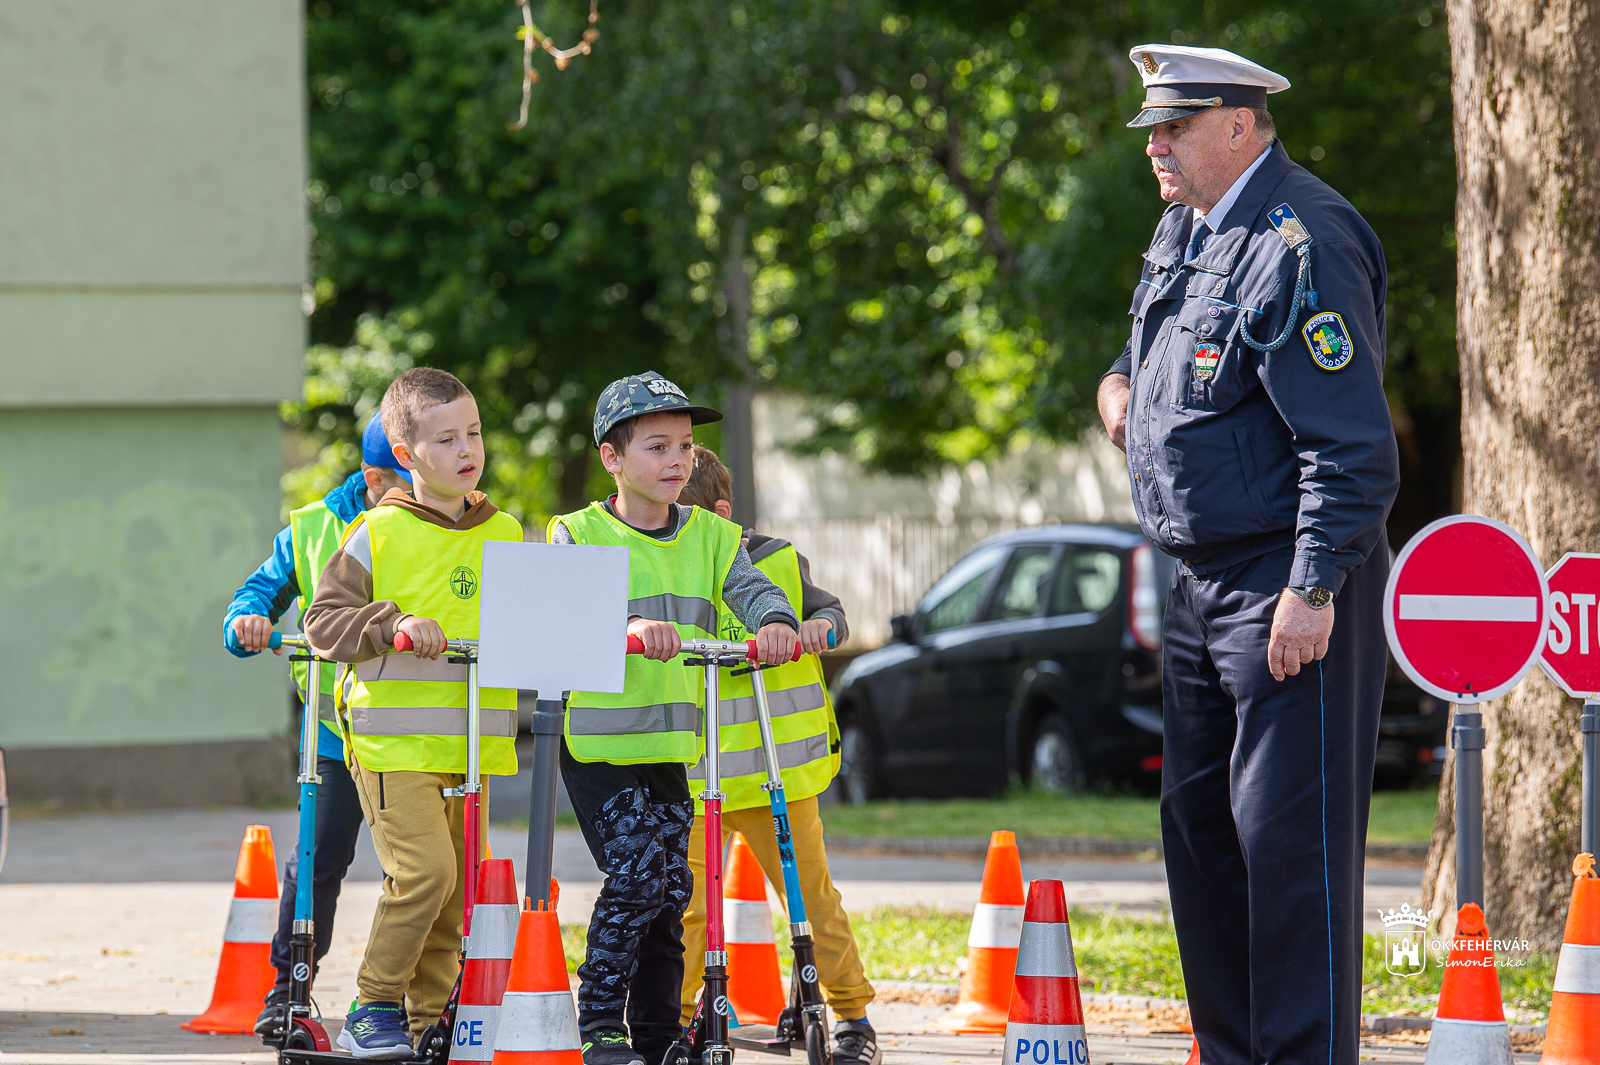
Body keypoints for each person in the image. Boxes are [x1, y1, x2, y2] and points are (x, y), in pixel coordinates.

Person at [1095, 44, 1400, 1065]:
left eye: (1176, 126)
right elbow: (1148, 361)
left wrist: (1312, 587)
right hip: (1197, 582)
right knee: (1203, 846)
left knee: (1288, 854)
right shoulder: (1187, 226)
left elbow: (1352, 451)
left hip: (1283, 578)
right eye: (1152, 128)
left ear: (1241, 123)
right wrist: (1119, 399)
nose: (1157, 146)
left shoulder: (1298, 238)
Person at [548, 372, 799, 1065]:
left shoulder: (714, 536)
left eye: (685, 446)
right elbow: (566, 609)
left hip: (666, 746)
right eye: (657, 446)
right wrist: (628, 622)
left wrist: (775, 622)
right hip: (598, 745)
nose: (677, 460)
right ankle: (599, 1020)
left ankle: (658, 1035)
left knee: (673, 890)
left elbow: (752, 588)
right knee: (636, 874)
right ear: (613, 458)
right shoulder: (578, 533)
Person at [304, 368, 523, 1058]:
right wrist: (392, 620)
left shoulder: (509, 531)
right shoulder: (379, 530)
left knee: (456, 898)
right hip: (392, 746)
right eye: (447, 438)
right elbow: (322, 620)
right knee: (427, 873)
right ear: (405, 453)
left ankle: (434, 1026)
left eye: (475, 432)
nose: (468, 449)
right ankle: (372, 1007)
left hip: (473, 750)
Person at [674, 446, 879, 1065]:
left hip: (774, 775)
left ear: (721, 513)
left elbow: (829, 611)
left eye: (688, 519)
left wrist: (824, 628)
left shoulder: (778, 561)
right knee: (687, 911)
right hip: (696, 778)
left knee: (811, 900)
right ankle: (681, 1018)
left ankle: (850, 1016)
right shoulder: (665, 568)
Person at [222, 413, 412, 1035]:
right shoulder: (311, 529)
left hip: (418, 730)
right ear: (372, 476)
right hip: (336, 732)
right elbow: (258, 594)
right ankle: (289, 991)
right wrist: (248, 621)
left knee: (422, 870)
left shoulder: (456, 521)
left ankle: (420, 996)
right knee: (318, 859)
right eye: (402, 485)